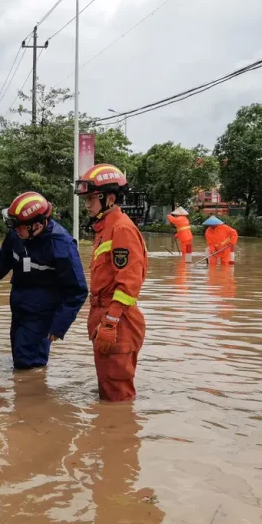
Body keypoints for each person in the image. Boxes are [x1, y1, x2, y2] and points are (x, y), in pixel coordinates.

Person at [74, 164, 148, 402]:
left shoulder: (121, 229)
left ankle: (118, 436)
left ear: (110, 198)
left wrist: (111, 321)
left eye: (92, 198)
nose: (87, 204)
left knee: (118, 398)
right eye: (86, 199)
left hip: (118, 322)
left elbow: (129, 281)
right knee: (108, 390)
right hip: (106, 318)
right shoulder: (105, 229)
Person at [0, 191, 88, 370]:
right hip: (19, 308)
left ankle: (34, 394)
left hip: (42, 315)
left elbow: (77, 290)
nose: (14, 229)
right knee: (19, 357)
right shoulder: (17, 235)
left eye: (18, 226)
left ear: (36, 225)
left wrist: (59, 325)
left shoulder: (61, 246)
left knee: (28, 365)